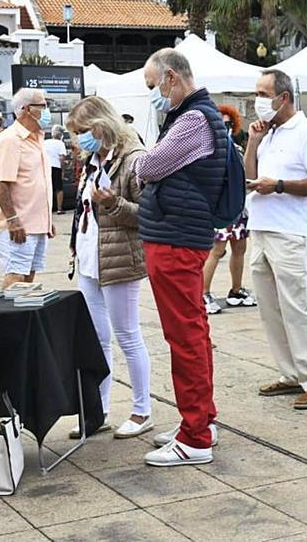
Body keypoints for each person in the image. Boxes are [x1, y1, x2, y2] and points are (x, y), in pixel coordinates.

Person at [136, 48, 227, 467]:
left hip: (175, 238)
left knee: (185, 338)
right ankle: (201, 421)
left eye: (153, 86)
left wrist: (135, 157)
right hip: (179, 235)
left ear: (171, 78)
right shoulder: (196, 116)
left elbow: (151, 165)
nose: (153, 95)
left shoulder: (192, 120)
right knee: (192, 334)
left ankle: (195, 437)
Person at [244, 69, 307, 406]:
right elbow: (249, 175)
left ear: (282, 97)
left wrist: (280, 186)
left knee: (296, 306)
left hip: (289, 230)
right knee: (270, 308)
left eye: (262, 93)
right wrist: (253, 143)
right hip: (261, 226)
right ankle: (291, 373)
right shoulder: (268, 133)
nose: (257, 101)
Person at [65, 96, 154, 439]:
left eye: (82, 132)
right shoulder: (93, 158)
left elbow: (147, 214)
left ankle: (141, 410)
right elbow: (82, 208)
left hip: (120, 259)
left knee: (128, 335)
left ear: (101, 126)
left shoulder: (134, 159)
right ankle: (98, 410)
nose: (78, 139)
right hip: (90, 258)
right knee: (97, 338)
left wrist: (113, 203)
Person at [0, 88, 55, 289]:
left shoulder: (38, 138)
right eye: (42, 106)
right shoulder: (9, 140)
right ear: (26, 109)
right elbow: (0, 182)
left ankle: (21, 319)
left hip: (37, 224)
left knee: (29, 276)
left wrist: (47, 220)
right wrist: (12, 219)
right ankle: (5, 320)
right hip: (18, 224)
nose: (47, 110)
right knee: (16, 275)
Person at [203, 105, 256, 316]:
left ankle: (236, 290)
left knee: (239, 247)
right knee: (217, 250)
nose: (225, 127)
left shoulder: (236, 148)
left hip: (238, 207)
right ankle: (203, 292)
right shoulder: (208, 150)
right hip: (220, 208)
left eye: (229, 124)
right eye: (221, 123)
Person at [44, 125, 69, 215]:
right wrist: (63, 170)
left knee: (48, 188)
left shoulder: (45, 142)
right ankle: (59, 209)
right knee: (59, 188)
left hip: (46, 167)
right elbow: (62, 158)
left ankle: (47, 209)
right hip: (56, 166)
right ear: (61, 135)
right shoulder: (60, 144)